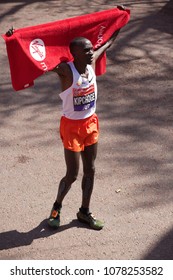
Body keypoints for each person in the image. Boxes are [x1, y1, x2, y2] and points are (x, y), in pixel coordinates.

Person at [48, 28, 121, 231]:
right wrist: (17, 39)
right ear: (75, 53)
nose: (92, 52)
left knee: (91, 170)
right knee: (72, 174)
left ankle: (84, 212)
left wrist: (121, 19)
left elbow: (108, 42)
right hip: (71, 126)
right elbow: (39, 64)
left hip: (90, 123)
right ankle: (56, 209)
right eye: (87, 50)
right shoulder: (65, 70)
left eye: (91, 50)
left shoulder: (92, 63)